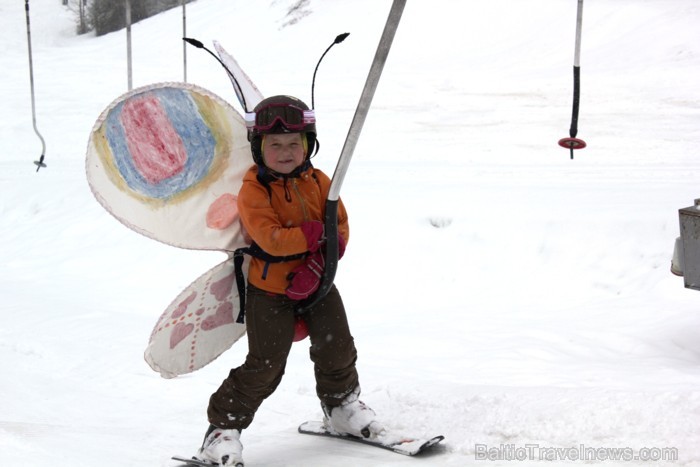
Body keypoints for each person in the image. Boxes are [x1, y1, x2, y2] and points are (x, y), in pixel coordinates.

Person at [194, 95, 383, 467]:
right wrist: (315, 236)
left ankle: (341, 406)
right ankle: (222, 430)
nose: (285, 152)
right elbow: (271, 238)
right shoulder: (254, 189)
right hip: (271, 291)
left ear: (308, 145)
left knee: (338, 347)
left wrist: (333, 247)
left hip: (319, 283)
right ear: (259, 148)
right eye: (275, 145)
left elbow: (340, 221)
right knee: (266, 365)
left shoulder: (320, 180)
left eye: (294, 143)